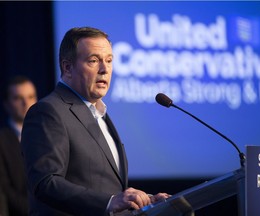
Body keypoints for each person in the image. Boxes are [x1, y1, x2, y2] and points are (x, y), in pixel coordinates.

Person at [21, 27, 169, 216]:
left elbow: (105, 186)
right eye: (93, 61)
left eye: (109, 61)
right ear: (67, 67)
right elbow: (45, 182)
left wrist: (145, 200)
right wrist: (109, 202)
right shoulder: (48, 112)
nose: (104, 69)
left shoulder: (99, 113)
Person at [0, 75, 38, 216]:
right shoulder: (2, 140)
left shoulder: (50, 135)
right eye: (18, 98)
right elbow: (4, 189)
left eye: (30, 97)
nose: (26, 103)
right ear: (6, 104)